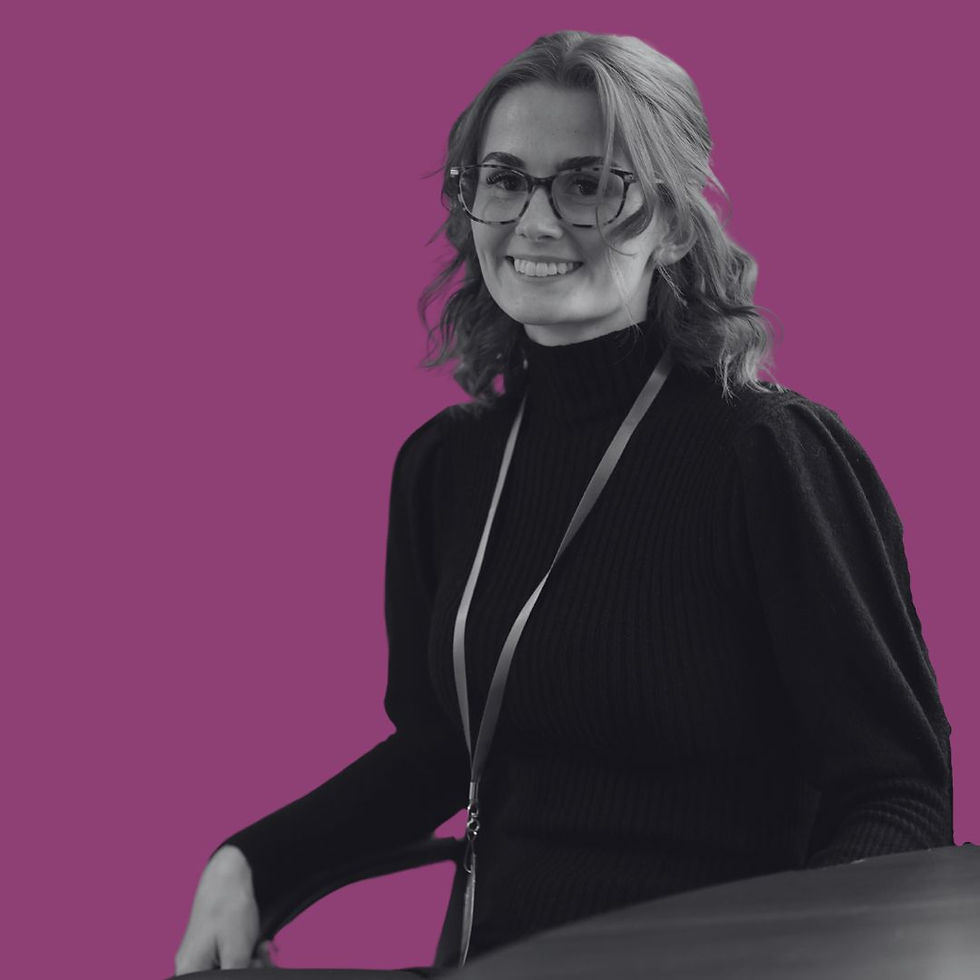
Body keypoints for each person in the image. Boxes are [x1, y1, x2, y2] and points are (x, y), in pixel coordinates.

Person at [172, 30, 953, 978]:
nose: (534, 222)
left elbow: (898, 791)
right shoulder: (446, 465)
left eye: (588, 185)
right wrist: (251, 860)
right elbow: (441, 748)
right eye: (504, 180)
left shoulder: (767, 456)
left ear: (672, 222)